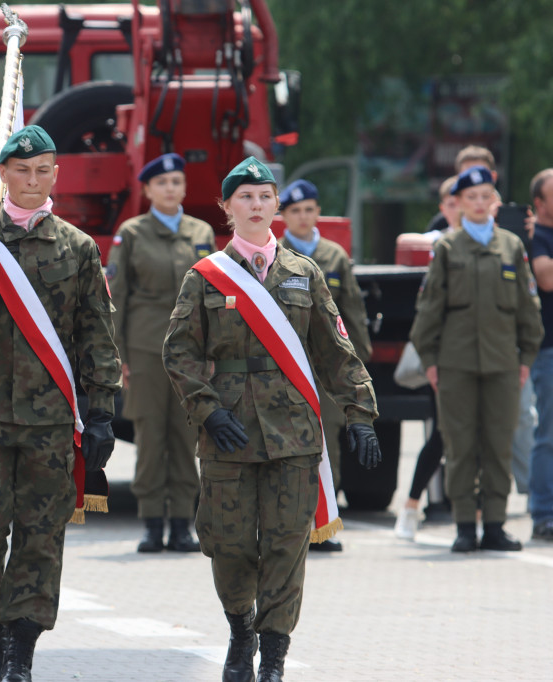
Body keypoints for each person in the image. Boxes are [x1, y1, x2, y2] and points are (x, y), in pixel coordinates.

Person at [162, 157, 381, 682]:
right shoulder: (204, 277)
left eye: (264, 196)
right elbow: (179, 353)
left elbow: (336, 352)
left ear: (276, 204)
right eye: (245, 198)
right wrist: (208, 410)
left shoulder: (305, 274)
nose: (256, 206)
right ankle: (241, 629)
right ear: (226, 208)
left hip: (295, 435)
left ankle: (274, 658)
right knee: (228, 542)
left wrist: (360, 414)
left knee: (286, 546)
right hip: (229, 432)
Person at [0, 125, 121, 682]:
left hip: (50, 419)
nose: (32, 181)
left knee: (42, 537)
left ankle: (20, 650)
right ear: (4, 175)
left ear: (55, 176)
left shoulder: (78, 247)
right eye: (22, 170)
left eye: (43, 171)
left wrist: (103, 407)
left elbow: (96, 331)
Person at [409, 165, 543, 553]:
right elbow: (429, 310)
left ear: (495, 202)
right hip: (456, 365)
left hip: (503, 364)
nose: (480, 204)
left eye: (487, 196)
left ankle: (496, 525)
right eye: (472, 198)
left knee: (499, 443)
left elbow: (527, 307)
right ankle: (466, 525)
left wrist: (525, 358)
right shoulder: (448, 249)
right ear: (460, 204)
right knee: (461, 444)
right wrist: (431, 361)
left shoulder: (511, 246)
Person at [106, 152, 214, 553]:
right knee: (151, 436)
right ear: (148, 189)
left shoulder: (201, 232)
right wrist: (118, 356)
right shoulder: (132, 233)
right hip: (146, 348)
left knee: (187, 437)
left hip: (192, 353)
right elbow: (117, 296)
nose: (171, 188)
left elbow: (214, 297)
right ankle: (152, 522)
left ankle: (184, 524)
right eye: (162, 183)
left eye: (176, 182)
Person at [278, 179, 373, 553]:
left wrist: (359, 360)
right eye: (295, 211)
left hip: (326, 366)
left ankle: (325, 526)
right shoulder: (274, 253)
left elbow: (353, 312)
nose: (303, 217)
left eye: (309, 209)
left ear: (319, 212)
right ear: (283, 216)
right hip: (289, 362)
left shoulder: (334, 255)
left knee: (327, 443)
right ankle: (296, 527)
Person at [393, 175, 459, 540]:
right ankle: (412, 505)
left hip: (487, 354)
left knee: (484, 437)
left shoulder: (500, 241)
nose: (461, 208)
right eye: (452, 201)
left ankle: (474, 515)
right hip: (449, 355)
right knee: (443, 434)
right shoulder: (440, 243)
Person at [527, 168, 553, 541]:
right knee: (548, 435)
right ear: (539, 203)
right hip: (548, 350)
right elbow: (546, 277)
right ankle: (544, 512)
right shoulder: (535, 237)